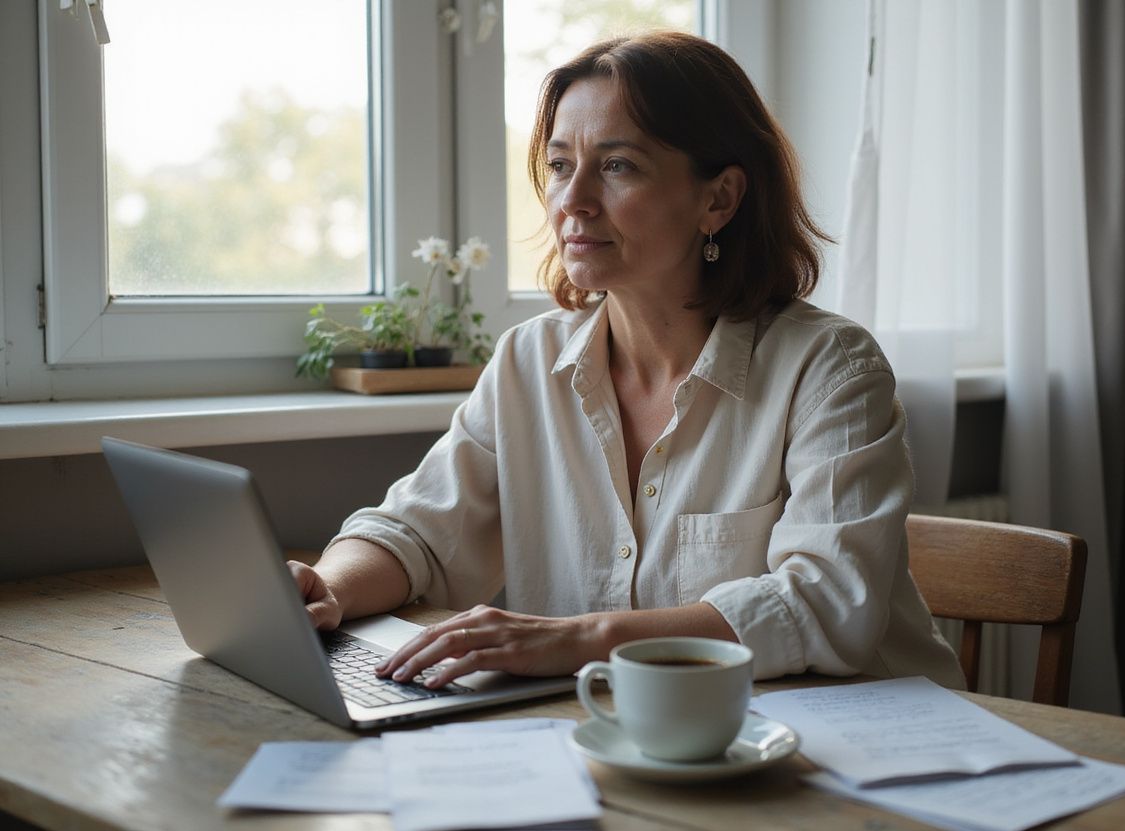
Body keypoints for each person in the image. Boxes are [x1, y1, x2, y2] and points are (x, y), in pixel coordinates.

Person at [290, 32, 964, 691]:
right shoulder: (530, 359)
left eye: (617, 166)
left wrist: (579, 640)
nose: (573, 202)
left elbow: (827, 606)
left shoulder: (830, 369)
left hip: (859, 754)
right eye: (559, 165)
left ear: (719, 199)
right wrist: (331, 588)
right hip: (635, 742)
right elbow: (417, 531)